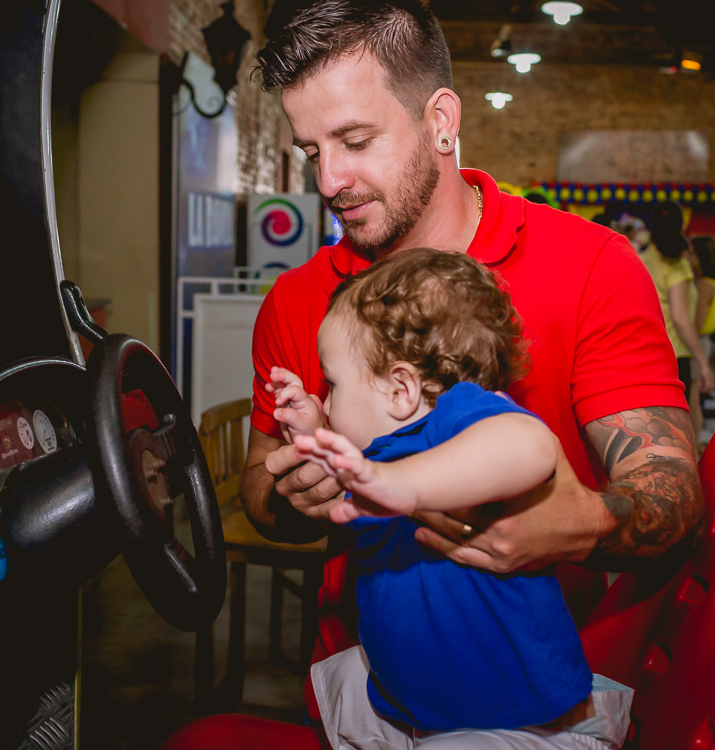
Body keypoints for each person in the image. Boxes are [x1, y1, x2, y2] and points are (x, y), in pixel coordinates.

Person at [172, 0, 706, 745]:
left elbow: (674, 496)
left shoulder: (590, 265)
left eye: (356, 141)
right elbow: (259, 488)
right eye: (312, 150)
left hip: (534, 703)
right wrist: (294, 491)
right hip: (375, 684)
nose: (330, 180)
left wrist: (583, 524)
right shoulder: (297, 300)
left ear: (441, 120)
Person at [268, 248, 632, 749]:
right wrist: (314, 434)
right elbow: (356, 467)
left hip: (518, 720)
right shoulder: (380, 453)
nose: (325, 399)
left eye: (331, 384)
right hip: (425, 703)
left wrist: (405, 485)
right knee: (342, 676)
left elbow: (529, 445)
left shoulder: (457, 420)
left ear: (401, 390)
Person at [641, 203, 715, 406]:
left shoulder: (641, 259)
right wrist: (703, 361)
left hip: (643, 353)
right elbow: (680, 317)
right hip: (672, 356)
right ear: (681, 227)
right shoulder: (677, 264)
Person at [687, 234, 715, 451]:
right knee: (695, 396)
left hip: (697, 341)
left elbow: (698, 322)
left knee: (693, 396)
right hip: (704, 341)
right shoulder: (714, 281)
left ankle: (694, 443)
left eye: (692, 253)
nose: (687, 257)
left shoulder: (703, 284)